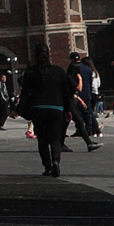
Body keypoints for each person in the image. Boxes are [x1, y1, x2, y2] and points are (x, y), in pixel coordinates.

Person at [16, 45, 74, 177]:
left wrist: (18, 110)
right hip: (56, 108)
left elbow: (25, 94)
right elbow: (66, 93)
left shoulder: (30, 72)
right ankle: (56, 161)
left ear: (35, 56)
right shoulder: (58, 71)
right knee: (55, 138)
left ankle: (47, 167)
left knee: (42, 140)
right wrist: (68, 110)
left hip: (38, 109)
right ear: (49, 54)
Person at [66, 52, 101, 152]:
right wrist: (80, 79)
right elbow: (79, 88)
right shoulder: (86, 70)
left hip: (75, 98)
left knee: (75, 120)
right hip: (78, 97)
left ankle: (61, 142)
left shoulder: (70, 72)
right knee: (83, 117)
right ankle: (89, 139)